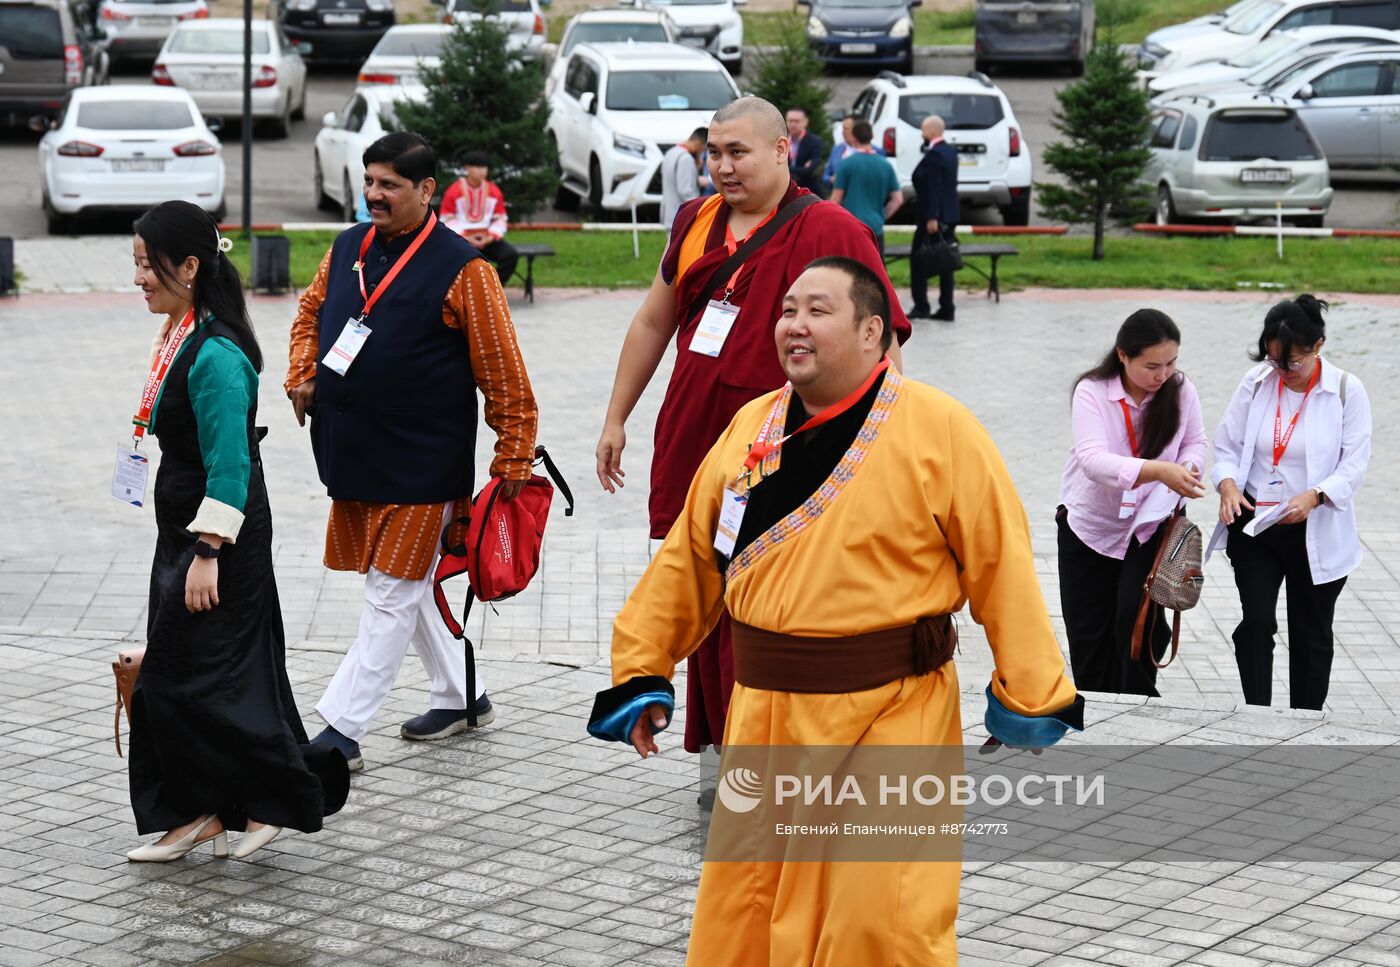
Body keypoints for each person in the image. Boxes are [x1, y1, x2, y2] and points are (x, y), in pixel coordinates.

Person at [587, 257, 1082, 963]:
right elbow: (690, 559)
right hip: (763, 714)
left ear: (874, 331)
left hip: (892, 712)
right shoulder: (750, 427)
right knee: (746, 916)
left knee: (879, 921)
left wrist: (1030, 692)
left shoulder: (942, 428)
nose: (794, 324)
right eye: (788, 309)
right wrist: (643, 669)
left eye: (818, 310)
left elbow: (1002, 566)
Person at [594, 97, 910, 795]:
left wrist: (879, 445)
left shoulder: (830, 228)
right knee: (703, 593)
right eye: (714, 153)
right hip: (694, 441)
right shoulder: (696, 220)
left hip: (788, 447)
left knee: (773, 600)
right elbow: (654, 319)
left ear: (781, 151)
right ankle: (719, 751)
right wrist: (616, 415)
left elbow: (880, 340)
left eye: (740, 152)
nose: (724, 166)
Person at [286, 132, 539, 770]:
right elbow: (311, 309)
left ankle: (339, 733)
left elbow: (505, 373)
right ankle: (461, 695)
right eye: (369, 182)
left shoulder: (466, 270)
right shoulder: (348, 246)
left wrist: (514, 455)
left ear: (428, 191)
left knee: (391, 590)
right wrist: (302, 374)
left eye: (389, 185)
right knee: (413, 585)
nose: (374, 195)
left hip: (424, 462)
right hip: (352, 452)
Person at [124, 201, 349, 863]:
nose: (138, 277)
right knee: (201, 674)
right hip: (188, 535)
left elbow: (229, 465)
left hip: (217, 543)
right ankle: (206, 811)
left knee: (192, 676)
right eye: (134, 263)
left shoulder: (216, 353)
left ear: (190, 265)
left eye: (147, 264)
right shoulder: (181, 331)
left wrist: (207, 552)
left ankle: (259, 802)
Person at [1209, 295, 1372, 710]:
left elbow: (1354, 466)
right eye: (1275, 360)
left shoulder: (1345, 392)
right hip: (1256, 524)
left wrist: (1316, 496)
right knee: (1257, 621)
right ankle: (1257, 716)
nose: (1283, 372)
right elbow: (1227, 445)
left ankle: (1304, 724)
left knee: (1311, 632)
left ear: (1318, 345)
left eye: (1293, 362)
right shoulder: (1257, 381)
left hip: (1315, 528)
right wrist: (1227, 485)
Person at [1057, 310, 1208, 697]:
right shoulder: (1092, 391)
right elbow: (1093, 461)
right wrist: (1160, 470)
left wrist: (1186, 471)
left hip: (1152, 524)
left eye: (1171, 362)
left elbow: (1195, 442)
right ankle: (1097, 722)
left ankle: (1140, 712)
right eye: (1151, 366)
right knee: (1089, 639)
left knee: (1138, 624)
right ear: (1122, 355)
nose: (1162, 375)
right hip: (1090, 527)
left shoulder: (1180, 389)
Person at [439, 150, 519, 285]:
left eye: (484, 167)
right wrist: (465, 237)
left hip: (486, 238)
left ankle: (492, 289)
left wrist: (491, 236)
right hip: (461, 239)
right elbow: (447, 218)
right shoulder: (454, 191)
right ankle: (466, 293)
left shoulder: (494, 191)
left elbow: (500, 218)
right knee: (466, 261)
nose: (481, 171)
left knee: (510, 255)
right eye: (477, 167)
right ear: (467, 168)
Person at [909, 115, 959, 322]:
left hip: (933, 218)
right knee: (945, 260)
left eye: (922, 130)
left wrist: (932, 217)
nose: (921, 134)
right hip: (949, 214)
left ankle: (922, 305)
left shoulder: (935, 155)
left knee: (918, 259)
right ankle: (947, 306)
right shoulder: (950, 152)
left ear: (931, 132)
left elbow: (934, 188)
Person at [830, 119, 903, 254]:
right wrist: (882, 216)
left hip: (851, 227)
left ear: (853, 138)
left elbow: (836, 199)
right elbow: (898, 199)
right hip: (875, 227)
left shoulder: (846, 164)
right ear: (872, 136)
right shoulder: (885, 165)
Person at [822, 115, 885, 195]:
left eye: (846, 128)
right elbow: (825, 177)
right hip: (841, 201)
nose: (842, 132)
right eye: (843, 128)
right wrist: (832, 179)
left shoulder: (877, 152)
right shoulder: (837, 149)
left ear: (856, 130)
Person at [662, 127, 708, 230]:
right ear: (698, 143)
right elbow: (685, 191)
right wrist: (701, 210)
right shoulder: (686, 159)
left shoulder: (672, 152)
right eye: (703, 149)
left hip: (670, 214)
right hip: (681, 219)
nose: (702, 153)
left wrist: (695, 169)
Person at [785, 106, 826, 196]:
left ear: (805, 122)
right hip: (785, 189)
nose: (793, 124)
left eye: (797, 121)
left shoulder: (814, 142)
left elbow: (810, 170)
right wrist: (802, 169)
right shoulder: (782, 141)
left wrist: (785, 169)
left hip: (809, 191)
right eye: (790, 121)